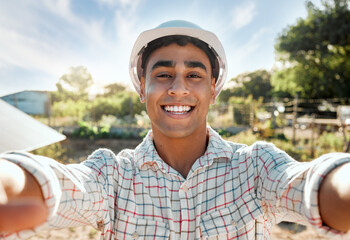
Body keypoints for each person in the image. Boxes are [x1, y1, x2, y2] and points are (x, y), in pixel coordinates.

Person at [0, 20, 350, 240]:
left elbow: (309, 183)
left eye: (194, 76)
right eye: (163, 74)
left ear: (213, 89)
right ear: (142, 88)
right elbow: (61, 183)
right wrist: (10, 182)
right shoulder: (112, 177)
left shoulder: (255, 169)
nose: (179, 89)